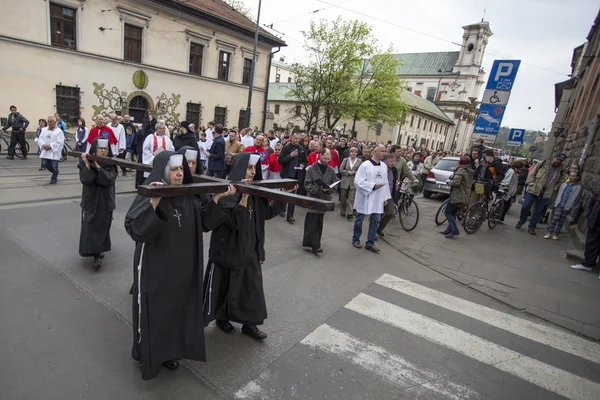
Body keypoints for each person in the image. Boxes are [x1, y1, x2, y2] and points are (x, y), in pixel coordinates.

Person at [125, 151, 236, 380]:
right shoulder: (153, 192)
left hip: (185, 264)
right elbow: (135, 229)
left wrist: (216, 200)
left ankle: (171, 350)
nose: (178, 173)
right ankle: (150, 353)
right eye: (174, 169)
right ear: (164, 170)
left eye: (181, 169)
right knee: (157, 310)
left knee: (177, 308)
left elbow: (204, 223)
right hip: (158, 265)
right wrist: (154, 204)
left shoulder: (190, 194)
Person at [204, 153, 293, 341]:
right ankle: (222, 317)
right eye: (249, 168)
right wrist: (243, 197)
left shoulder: (256, 191)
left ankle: (250, 324)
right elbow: (235, 222)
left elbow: (266, 213)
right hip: (230, 248)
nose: (252, 173)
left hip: (252, 247)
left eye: (255, 169)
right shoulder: (228, 193)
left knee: (251, 288)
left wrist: (284, 196)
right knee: (226, 285)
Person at [78, 138, 117, 269]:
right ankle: (91, 250)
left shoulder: (111, 164)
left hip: (105, 200)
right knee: (89, 225)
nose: (102, 151)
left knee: (102, 227)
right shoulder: (85, 161)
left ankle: (98, 254)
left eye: (105, 149)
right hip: (91, 199)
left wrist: (98, 167)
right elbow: (86, 180)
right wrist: (88, 165)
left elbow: (108, 180)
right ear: (95, 149)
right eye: (100, 148)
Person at [352, 144, 391, 253]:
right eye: (382, 151)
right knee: (360, 219)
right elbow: (358, 181)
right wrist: (372, 186)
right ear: (375, 152)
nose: (384, 153)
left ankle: (370, 243)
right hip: (366, 196)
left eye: (385, 151)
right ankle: (356, 239)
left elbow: (385, 183)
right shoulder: (365, 165)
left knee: (376, 220)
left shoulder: (383, 166)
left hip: (377, 198)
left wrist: (385, 197)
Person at [516, 153, 566, 235]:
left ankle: (532, 226)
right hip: (534, 189)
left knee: (538, 210)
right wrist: (531, 183)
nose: (558, 162)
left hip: (546, 192)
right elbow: (532, 173)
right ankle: (522, 220)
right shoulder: (543, 164)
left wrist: (555, 188)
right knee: (526, 206)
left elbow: (561, 180)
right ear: (554, 158)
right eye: (558, 159)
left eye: (561, 161)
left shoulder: (562, 169)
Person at [303, 148, 337, 255]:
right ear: (320, 156)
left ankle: (315, 243)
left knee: (319, 221)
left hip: (324, 199)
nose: (326, 161)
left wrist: (329, 189)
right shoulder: (311, 169)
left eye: (328, 159)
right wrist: (318, 189)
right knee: (312, 220)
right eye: (324, 158)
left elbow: (335, 184)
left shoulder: (331, 170)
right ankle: (314, 245)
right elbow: (307, 184)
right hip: (313, 198)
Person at [278, 133, 308, 223]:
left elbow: (305, 161)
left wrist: (303, 165)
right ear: (291, 138)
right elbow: (280, 160)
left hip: (296, 175)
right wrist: (290, 156)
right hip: (287, 175)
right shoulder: (286, 148)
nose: (297, 140)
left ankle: (290, 215)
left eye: (298, 139)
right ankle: (282, 209)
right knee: (284, 193)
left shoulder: (301, 149)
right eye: (295, 138)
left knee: (293, 196)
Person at [545, 170, 582, 240]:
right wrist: (554, 203)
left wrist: (574, 208)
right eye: (570, 175)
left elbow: (577, 198)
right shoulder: (563, 184)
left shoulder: (578, 187)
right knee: (555, 218)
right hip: (559, 204)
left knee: (561, 220)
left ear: (577, 177)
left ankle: (556, 233)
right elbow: (557, 193)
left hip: (567, 206)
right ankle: (549, 232)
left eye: (573, 176)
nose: (571, 177)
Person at [442, 156, 473, 238]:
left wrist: (448, 181)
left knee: (447, 212)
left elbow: (456, 183)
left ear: (460, 163)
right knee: (453, 213)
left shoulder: (461, 171)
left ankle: (454, 230)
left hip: (457, 195)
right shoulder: (470, 171)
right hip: (464, 195)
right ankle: (449, 230)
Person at [571, 186, 600, 272]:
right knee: (591, 244)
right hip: (594, 222)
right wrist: (589, 216)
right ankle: (587, 264)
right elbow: (591, 203)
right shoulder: (598, 191)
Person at [36, 116, 64, 184]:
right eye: (48, 121)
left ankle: (54, 178)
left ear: (55, 122)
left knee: (54, 165)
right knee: (45, 164)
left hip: (54, 151)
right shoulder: (44, 130)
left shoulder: (59, 131)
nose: (49, 123)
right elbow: (40, 138)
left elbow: (59, 142)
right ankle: (55, 172)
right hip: (46, 150)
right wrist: (43, 145)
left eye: (51, 121)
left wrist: (50, 146)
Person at [376, 154, 399, 237]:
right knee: (377, 214)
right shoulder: (380, 169)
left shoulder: (394, 170)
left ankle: (379, 229)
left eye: (394, 161)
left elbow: (394, 180)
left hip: (388, 194)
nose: (393, 163)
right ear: (385, 161)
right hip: (379, 194)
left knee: (390, 212)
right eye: (391, 161)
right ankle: (373, 232)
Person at [339, 147, 362, 219]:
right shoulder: (345, 160)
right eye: (352, 152)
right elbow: (340, 170)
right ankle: (342, 211)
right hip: (345, 181)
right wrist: (349, 172)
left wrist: (356, 173)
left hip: (354, 181)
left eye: (355, 152)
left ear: (357, 153)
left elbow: (361, 171)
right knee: (343, 197)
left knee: (351, 198)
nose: (353, 153)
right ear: (349, 153)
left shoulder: (359, 161)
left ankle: (349, 213)